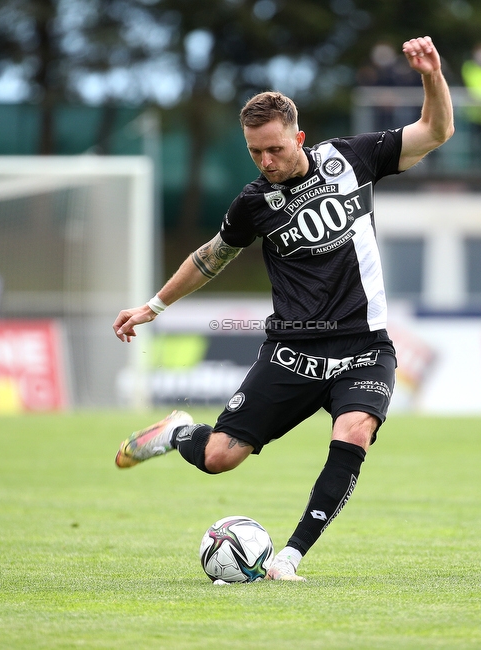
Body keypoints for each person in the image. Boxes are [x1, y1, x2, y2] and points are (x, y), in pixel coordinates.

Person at [112, 35, 454, 582]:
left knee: (355, 430)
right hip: (293, 353)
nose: (267, 161)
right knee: (220, 457)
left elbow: (436, 132)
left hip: (364, 347)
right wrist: (154, 305)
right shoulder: (252, 203)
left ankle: (289, 558)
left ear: (299, 136)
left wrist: (431, 76)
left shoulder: (352, 158)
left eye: (275, 148)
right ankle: (179, 431)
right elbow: (211, 257)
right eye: (255, 152)